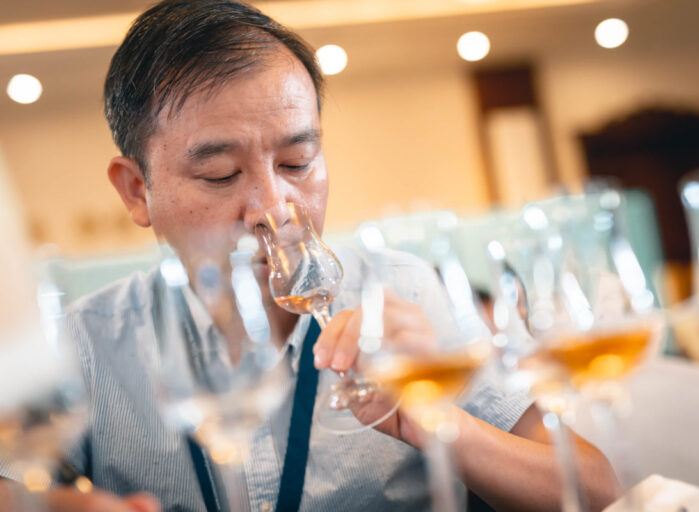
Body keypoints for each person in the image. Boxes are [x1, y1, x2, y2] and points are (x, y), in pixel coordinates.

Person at [1, 1, 618, 510]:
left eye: (298, 163)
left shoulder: (407, 292)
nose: (275, 207)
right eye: (220, 174)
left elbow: (595, 489)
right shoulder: (82, 344)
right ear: (138, 191)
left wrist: (431, 421)